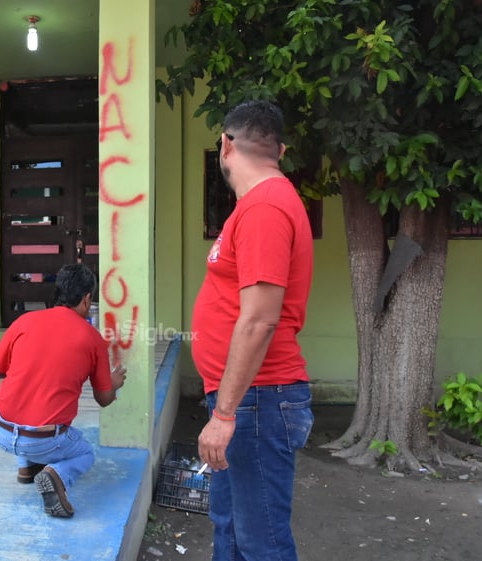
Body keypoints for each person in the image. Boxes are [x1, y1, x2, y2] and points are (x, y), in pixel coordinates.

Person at [191, 100, 314, 561]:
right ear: (279, 149)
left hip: (255, 401)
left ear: (225, 144)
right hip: (246, 398)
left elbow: (261, 319)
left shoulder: (265, 206)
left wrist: (225, 415)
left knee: (262, 542)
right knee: (233, 531)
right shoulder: (260, 205)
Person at [0, 263, 127, 518]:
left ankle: (26, 469)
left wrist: (26, 369)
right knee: (84, 452)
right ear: (86, 299)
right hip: (42, 441)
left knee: (25, 410)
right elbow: (104, 399)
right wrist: (114, 382)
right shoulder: (93, 339)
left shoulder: (24, 321)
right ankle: (56, 475)